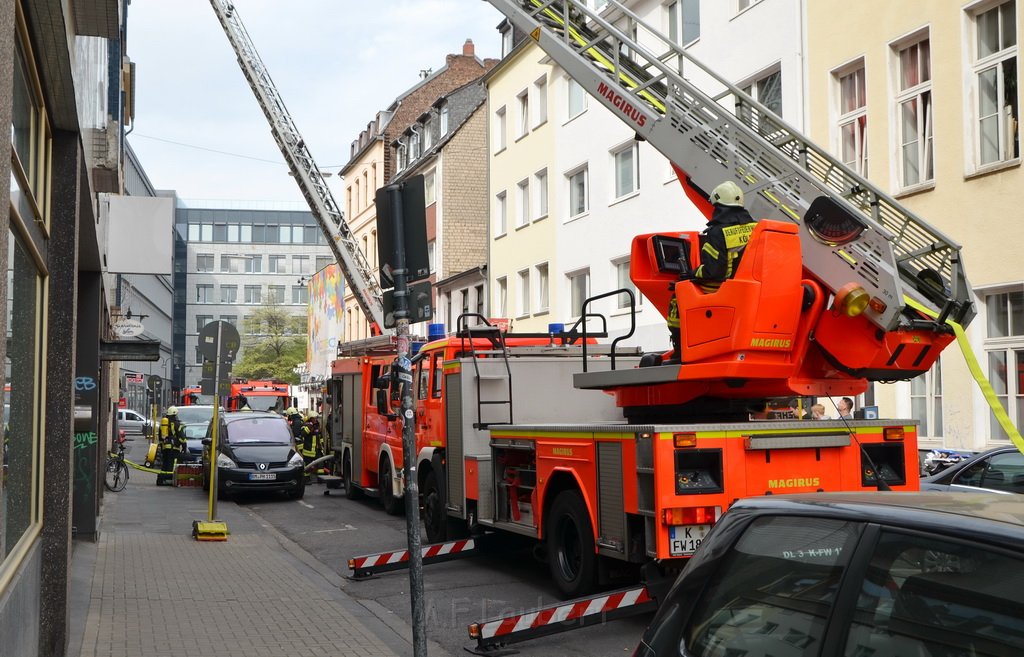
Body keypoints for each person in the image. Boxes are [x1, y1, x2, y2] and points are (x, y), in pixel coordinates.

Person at [666, 180, 758, 363]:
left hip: (725, 289)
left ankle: (680, 351)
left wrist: (690, 275)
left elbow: (714, 272)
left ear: (718, 205)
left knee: (679, 296)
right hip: (751, 289)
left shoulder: (717, 233)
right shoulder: (756, 228)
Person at [157, 405, 186, 486]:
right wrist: (184, 446)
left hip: (165, 448)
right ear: (175, 414)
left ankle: (161, 480)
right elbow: (182, 437)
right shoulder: (177, 424)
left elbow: (160, 437)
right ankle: (168, 480)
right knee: (170, 465)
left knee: (164, 464)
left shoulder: (163, 423)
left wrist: (162, 447)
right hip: (173, 448)